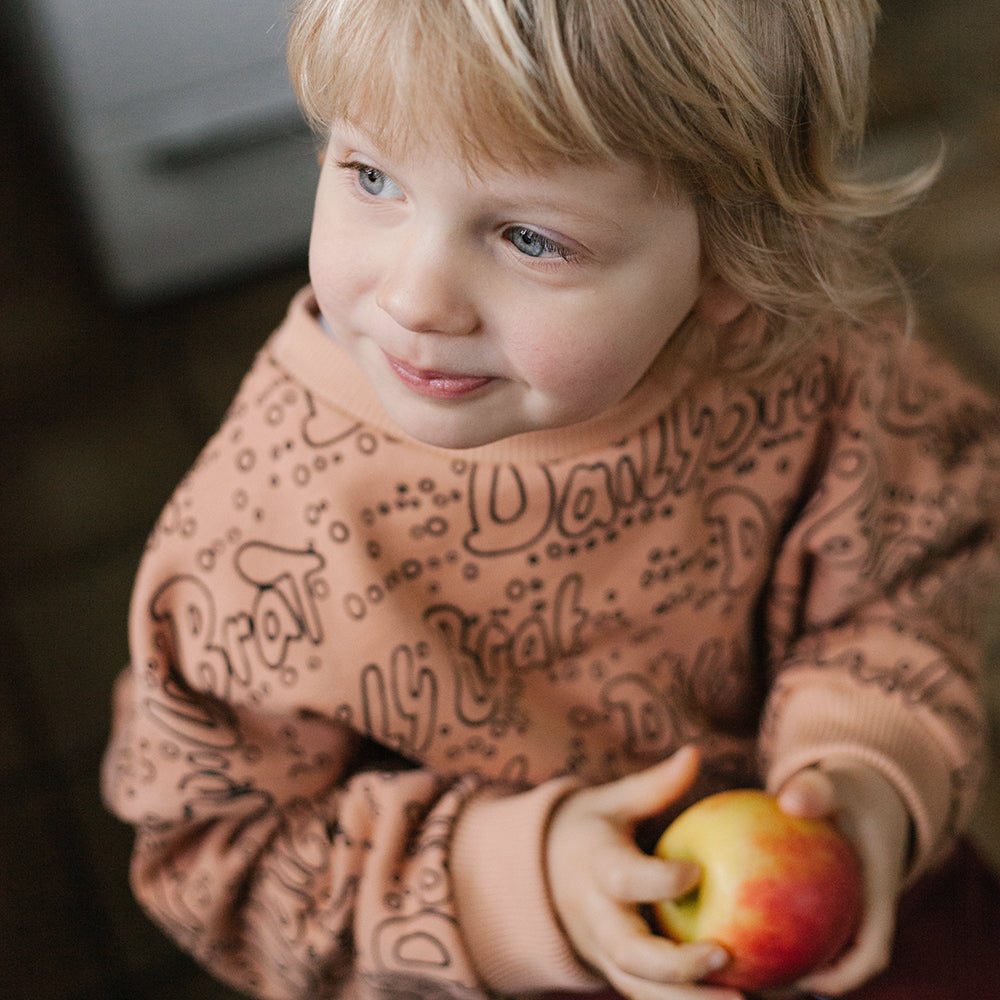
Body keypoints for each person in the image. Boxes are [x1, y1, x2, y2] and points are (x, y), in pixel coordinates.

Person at [101, 2, 1000, 999]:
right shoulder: (263, 525)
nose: (415, 297)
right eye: (371, 176)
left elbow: (917, 575)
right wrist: (517, 888)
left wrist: (868, 772)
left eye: (528, 236)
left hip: (821, 902)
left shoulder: (817, 372)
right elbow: (217, 862)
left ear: (736, 261)